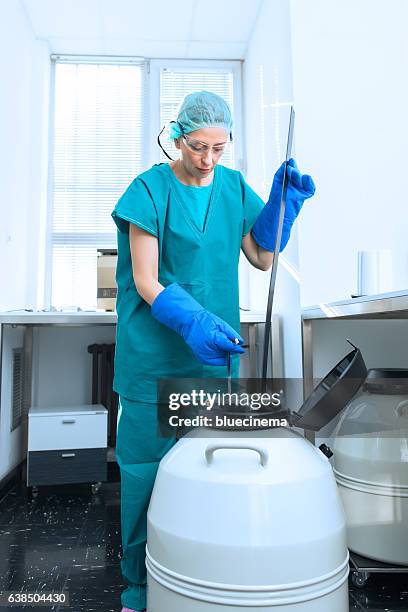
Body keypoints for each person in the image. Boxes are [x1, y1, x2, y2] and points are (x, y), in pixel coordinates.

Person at [111, 90, 315, 612]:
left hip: (210, 359)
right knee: (145, 468)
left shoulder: (231, 187)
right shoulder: (148, 190)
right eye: (198, 146)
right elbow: (146, 279)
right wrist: (193, 317)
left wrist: (281, 209)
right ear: (177, 139)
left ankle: (191, 564)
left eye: (219, 149)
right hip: (153, 357)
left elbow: (262, 258)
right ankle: (138, 578)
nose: (207, 160)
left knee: (205, 463)